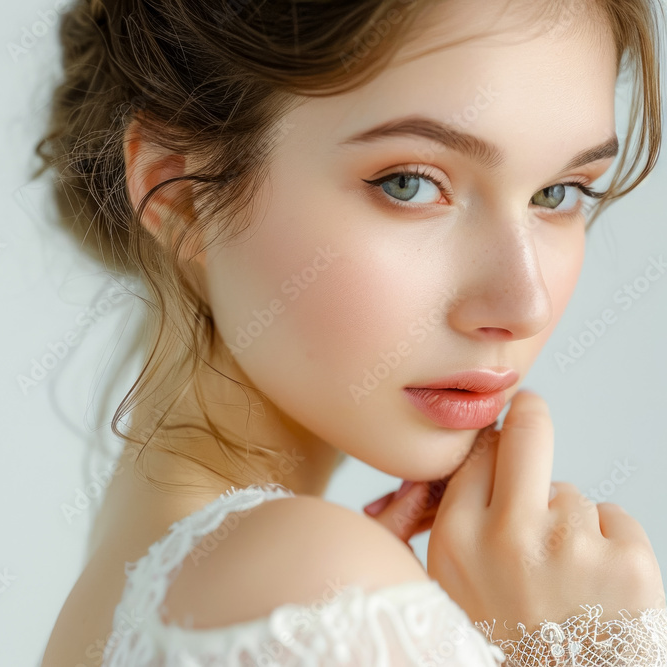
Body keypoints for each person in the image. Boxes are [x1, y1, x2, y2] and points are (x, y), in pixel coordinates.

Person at [34, 0, 667, 664]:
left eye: (559, 193)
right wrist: (584, 648)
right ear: (180, 194)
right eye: (411, 182)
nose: (524, 302)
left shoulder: (157, 563)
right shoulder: (311, 587)